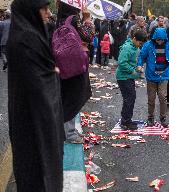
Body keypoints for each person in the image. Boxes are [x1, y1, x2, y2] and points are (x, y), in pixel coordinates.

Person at [7, 0, 65, 191]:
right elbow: (40, 84)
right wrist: (53, 74)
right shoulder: (26, 38)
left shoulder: (29, 33)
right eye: (44, 9)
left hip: (30, 115)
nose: (48, 13)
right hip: (33, 120)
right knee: (38, 170)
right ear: (31, 11)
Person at [57, 1, 92, 143]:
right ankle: (69, 134)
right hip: (74, 65)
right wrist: (87, 19)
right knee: (75, 97)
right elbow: (88, 36)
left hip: (62, 64)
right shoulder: (74, 19)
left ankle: (65, 130)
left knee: (65, 96)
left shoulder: (59, 19)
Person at [137, 28, 169, 127]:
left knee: (163, 97)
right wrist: (140, 64)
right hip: (151, 75)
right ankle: (150, 118)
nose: (159, 42)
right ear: (154, 38)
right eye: (158, 40)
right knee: (151, 98)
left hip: (164, 74)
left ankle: (163, 117)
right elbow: (141, 56)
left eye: (161, 40)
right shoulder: (148, 45)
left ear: (165, 39)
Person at [116, 30, 147, 130]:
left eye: (141, 44)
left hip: (129, 77)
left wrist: (138, 67)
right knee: (129, 98)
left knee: (131, 98)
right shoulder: (127, 47)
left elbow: (134, 60)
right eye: (139, 43)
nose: (140, 45)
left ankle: (127, 119)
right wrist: (132, 70)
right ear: (134, 39)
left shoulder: (135, 47)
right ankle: (125, 121)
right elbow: (121, 62)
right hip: (123, 77)